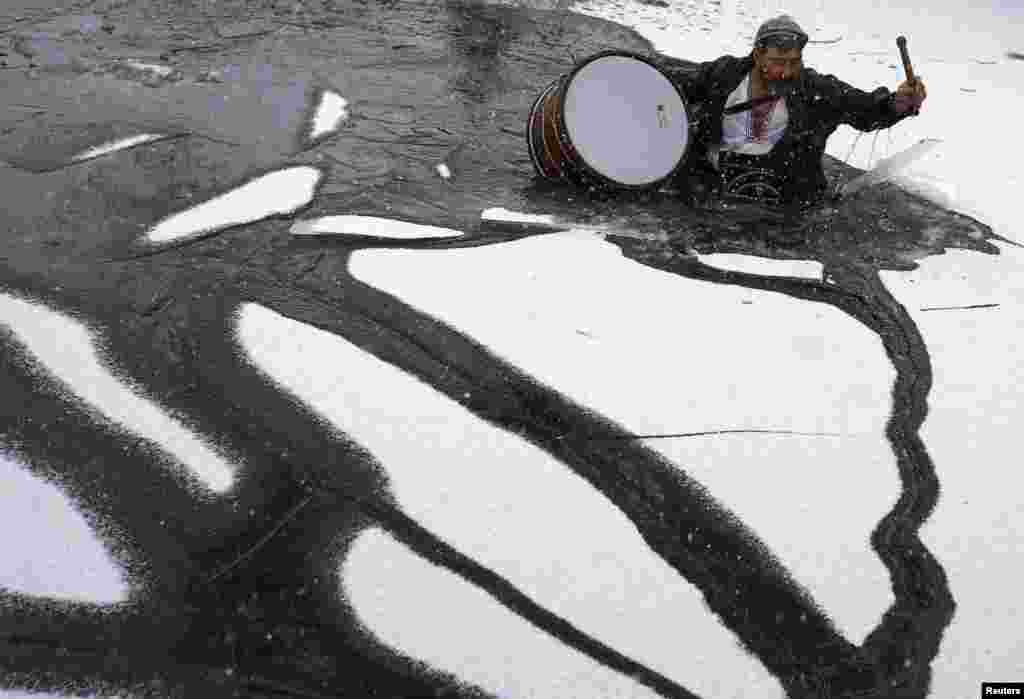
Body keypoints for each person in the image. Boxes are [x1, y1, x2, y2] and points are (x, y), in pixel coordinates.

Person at [657, 14, 928, 209]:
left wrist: (897, 104)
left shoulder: (817, 90)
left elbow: (867, 110)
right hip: (709, 193)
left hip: (786, 206)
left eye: (793, 61)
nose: (786, 70)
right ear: (758, 55)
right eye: (777, 61)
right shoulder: (724, 74)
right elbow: (670, 86)